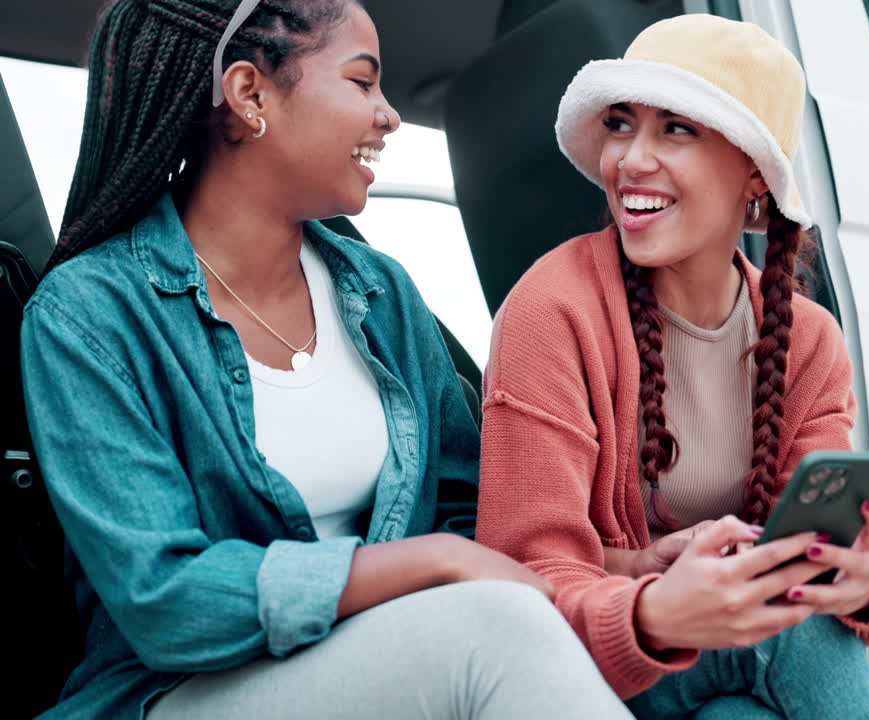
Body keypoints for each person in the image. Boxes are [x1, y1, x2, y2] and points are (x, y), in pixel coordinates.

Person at [20, 1, 632, 718]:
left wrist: (620, 570)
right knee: (498, 629)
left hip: (382, 663)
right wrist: (423, 563)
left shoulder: (385, 295)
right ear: (250, 95)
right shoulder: (88, 315)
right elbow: (167, 601)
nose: (389, 115)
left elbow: (468, 516)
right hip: (175, 695)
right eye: (363, 82)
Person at [477, 14, 869, 719]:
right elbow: (525, 578)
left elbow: (813, 550)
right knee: (794, 630)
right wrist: (654, 598)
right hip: (586, 664)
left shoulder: (810, 340)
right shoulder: (551, 310)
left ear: (754, 174)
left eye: (676, 128)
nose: (630, 160)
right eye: (620, 125)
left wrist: (852, 581)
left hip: (715, 676)